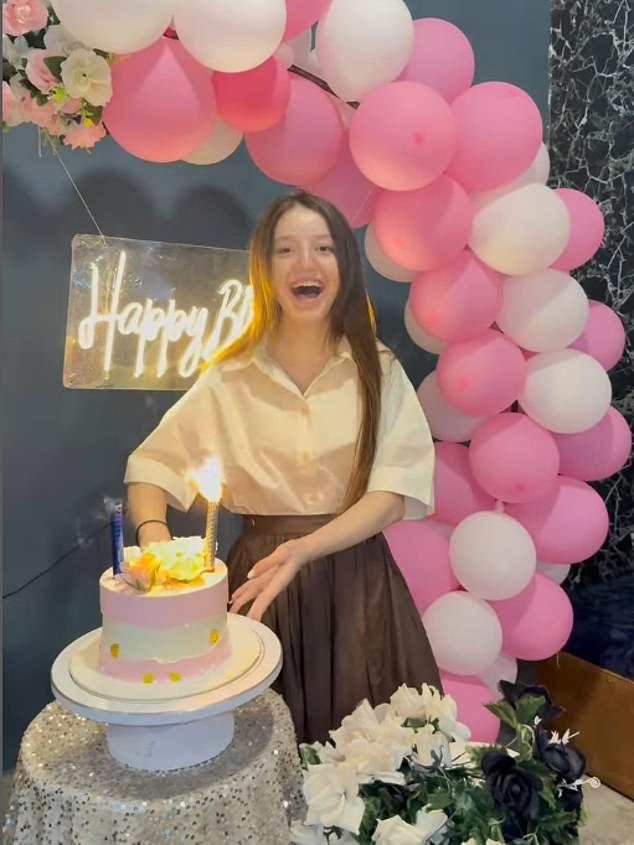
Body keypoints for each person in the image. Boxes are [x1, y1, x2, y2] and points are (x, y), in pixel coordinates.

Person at [125, 190, 441, 744]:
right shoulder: (231, 376)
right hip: (262, 583)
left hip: (359, 584)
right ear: (265, 270)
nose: (305, 264)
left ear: (345, 265)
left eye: (323, 248)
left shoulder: (378, 369)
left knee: (372, 759)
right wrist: (156, 545)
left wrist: (307, 549)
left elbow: (392, 493)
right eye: (286, 250)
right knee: (264, 749)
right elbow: (151, 466)